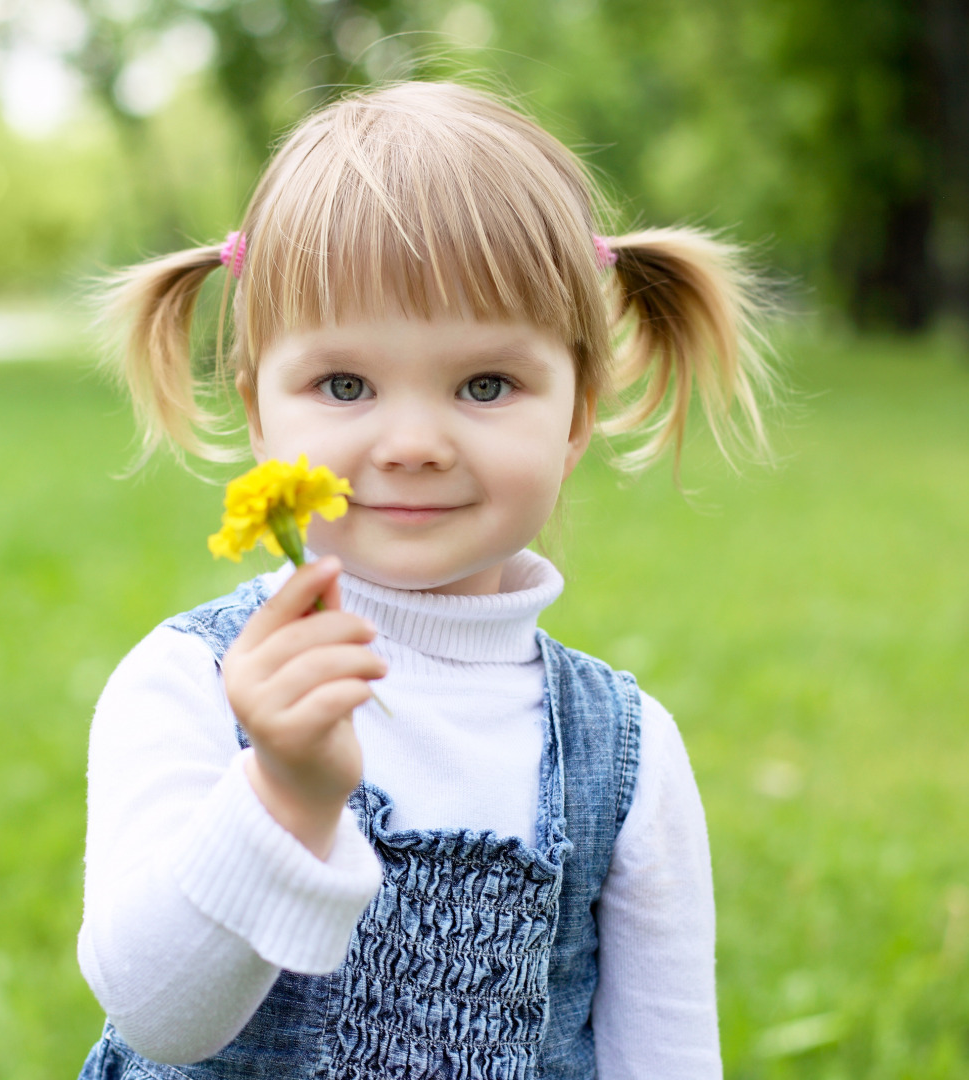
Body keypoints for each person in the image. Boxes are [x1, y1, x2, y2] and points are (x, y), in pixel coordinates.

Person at [76, 81, 776, 1080]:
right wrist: (283, 792)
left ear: (576, 415)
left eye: (485, 385)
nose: (411, 444)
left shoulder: (625, 757)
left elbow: (664, 1057)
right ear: (261, 412)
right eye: (346, 385)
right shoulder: (187, 686)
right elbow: (157, 1017)